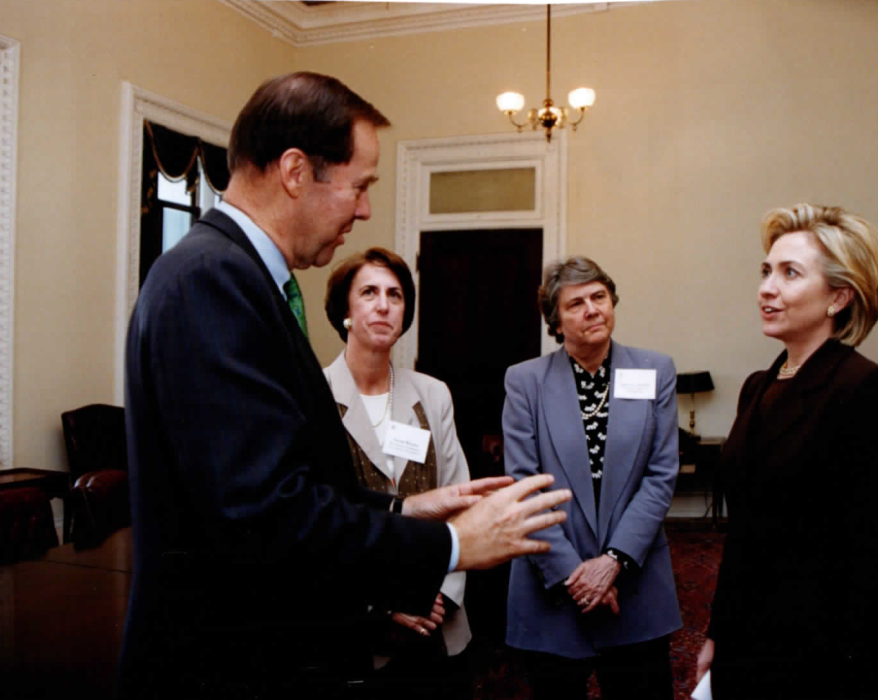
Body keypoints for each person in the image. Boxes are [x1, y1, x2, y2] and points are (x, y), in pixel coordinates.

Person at [118, 71, 571, 699]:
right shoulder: (211, 281)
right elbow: (262, 518)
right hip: (227, 665)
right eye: (359, 186)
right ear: (296, 171)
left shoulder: (238, 275)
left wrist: (403, 509)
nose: (364, 210)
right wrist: (450, 543)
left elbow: (281, 482)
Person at [695, 204, 878, 699]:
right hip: (746, 645)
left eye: (790, 273)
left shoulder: (871, 389)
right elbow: (742, 535)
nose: (766, 288)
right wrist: (718, 632)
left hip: (823, 663)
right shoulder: (757, 386)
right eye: (766, 271)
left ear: (839, 296)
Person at [501, 256, 683, 700]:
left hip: (634, 584)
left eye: (599, 297)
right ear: (556, 322)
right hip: (552, 587)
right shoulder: (525, 381)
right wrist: (576, 575)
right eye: (575, 304)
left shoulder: (655, 370)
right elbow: (524, 486)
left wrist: (613, 561)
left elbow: (660, 475)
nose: (592, 310)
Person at [321, 247, 472, 698]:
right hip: (351, 629)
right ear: (345, 311)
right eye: (369, 293)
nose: (384, 305)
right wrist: (386, 604)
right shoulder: (314, 397)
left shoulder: (433, 394)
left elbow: (461, 503)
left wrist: (438, 594)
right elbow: (316, 520)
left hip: (437, 624)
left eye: (395, 295)